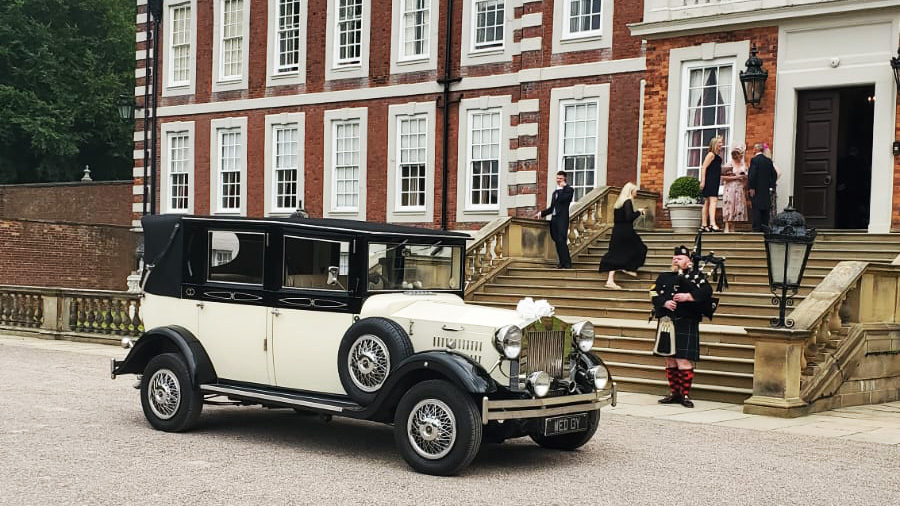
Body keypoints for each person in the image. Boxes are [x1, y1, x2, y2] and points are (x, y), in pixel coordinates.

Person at [649, 245, 713, 408]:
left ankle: (684, 394)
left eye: (680, 258)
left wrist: (688, 296)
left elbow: (707, 291)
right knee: (670, 359)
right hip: (666, 321)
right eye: (674, 257)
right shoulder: (664, 276)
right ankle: (674, 393)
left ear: (688, 261)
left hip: (686, 320)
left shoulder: (696, 277)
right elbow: (653, 293)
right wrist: (663, 302)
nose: (676, 260)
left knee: (683, 360)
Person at [599, 182, 647, 289]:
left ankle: (612, 279)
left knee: (617, 252)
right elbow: (629, 217)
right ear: (631, 191)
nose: (636, 193)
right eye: (635, 191)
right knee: (641, 248)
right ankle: (629, 268)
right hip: (626, 230)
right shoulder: (628, 201)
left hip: (618, 230)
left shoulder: (619, 203)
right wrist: (639, 212)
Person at [535, 171, 574, 269]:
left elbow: (563, 200)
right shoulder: (555, 192)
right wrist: (541, 213)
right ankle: (561, 262)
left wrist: (562, 188)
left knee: (562, 240)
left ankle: (567, 263)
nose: (558, 180)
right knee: (557, 241)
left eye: (560, 178)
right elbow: (552, 208)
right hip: (554, 220)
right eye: (557, 178)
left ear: (564, 179)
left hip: (562, 220)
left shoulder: (569, 190)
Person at [748, 143, 778, 232]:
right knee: (765, 207)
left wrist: (751, 187)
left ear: (756, 150)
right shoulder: (768, 161)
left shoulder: (754, 160)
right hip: (766, 188)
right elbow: (774, 174)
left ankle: (756, 228)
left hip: (757, 188)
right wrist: (771, 186)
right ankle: (764, 227)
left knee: (756, 207)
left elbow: (752, 174)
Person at [721, 145, 748, 233]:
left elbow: (745, 176)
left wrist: (744, 178)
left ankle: (733, 227)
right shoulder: (729, 164)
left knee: (737, 207)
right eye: (740, 155)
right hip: (730, 188)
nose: (741, 157)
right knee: (729, 206)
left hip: (739, 188)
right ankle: (726, 227)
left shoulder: (743, 164)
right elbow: (723, 177)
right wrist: (736, 177)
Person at [699, 136, 724, 232]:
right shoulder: (711, 155)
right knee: (712, 201)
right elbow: (704, 167)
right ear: (715, 144)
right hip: (710, 180)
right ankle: (712, 224)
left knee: (707, 202)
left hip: (715, 180)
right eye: (719, 143)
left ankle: (704, 224)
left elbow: (716, 169)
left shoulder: (718, 157)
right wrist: (703, 181)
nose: (721, 144)